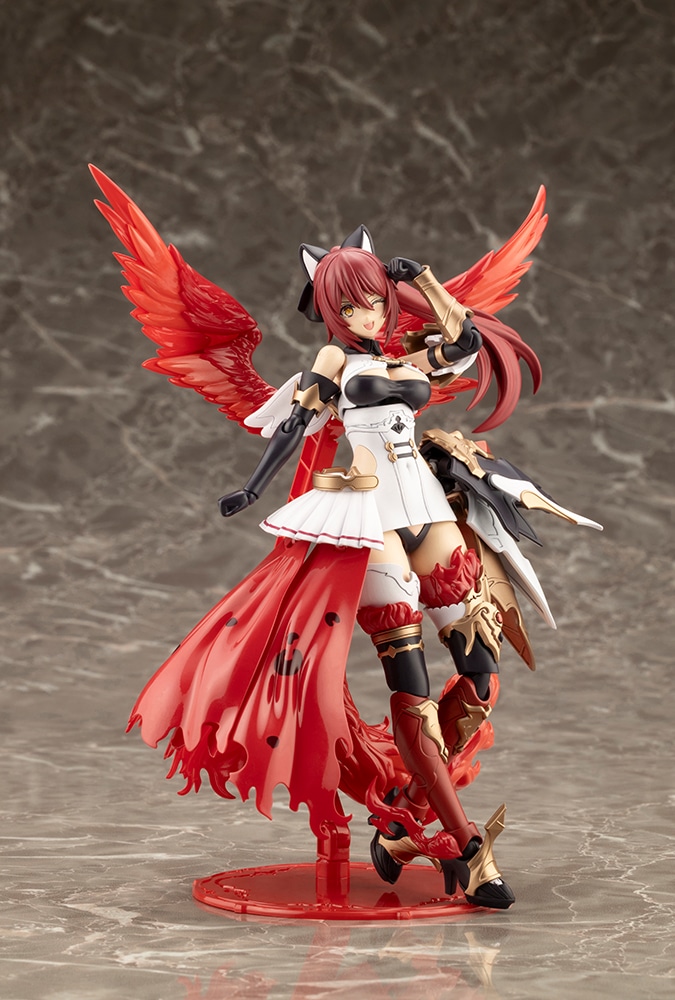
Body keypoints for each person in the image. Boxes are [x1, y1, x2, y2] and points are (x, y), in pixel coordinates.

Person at [92, 167, 597, 909]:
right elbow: (294, 424)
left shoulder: (405, 355)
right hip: (371, 522)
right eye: (352, 304)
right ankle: (465, 848)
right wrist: (253, 488)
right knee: (413, 689)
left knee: (481, 676)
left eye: (375, 300)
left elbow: (462, 338)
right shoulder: (335, 361)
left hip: (428, 510)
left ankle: (401, 818)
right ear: (329, 309)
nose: (368, 313)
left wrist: (424, 281)